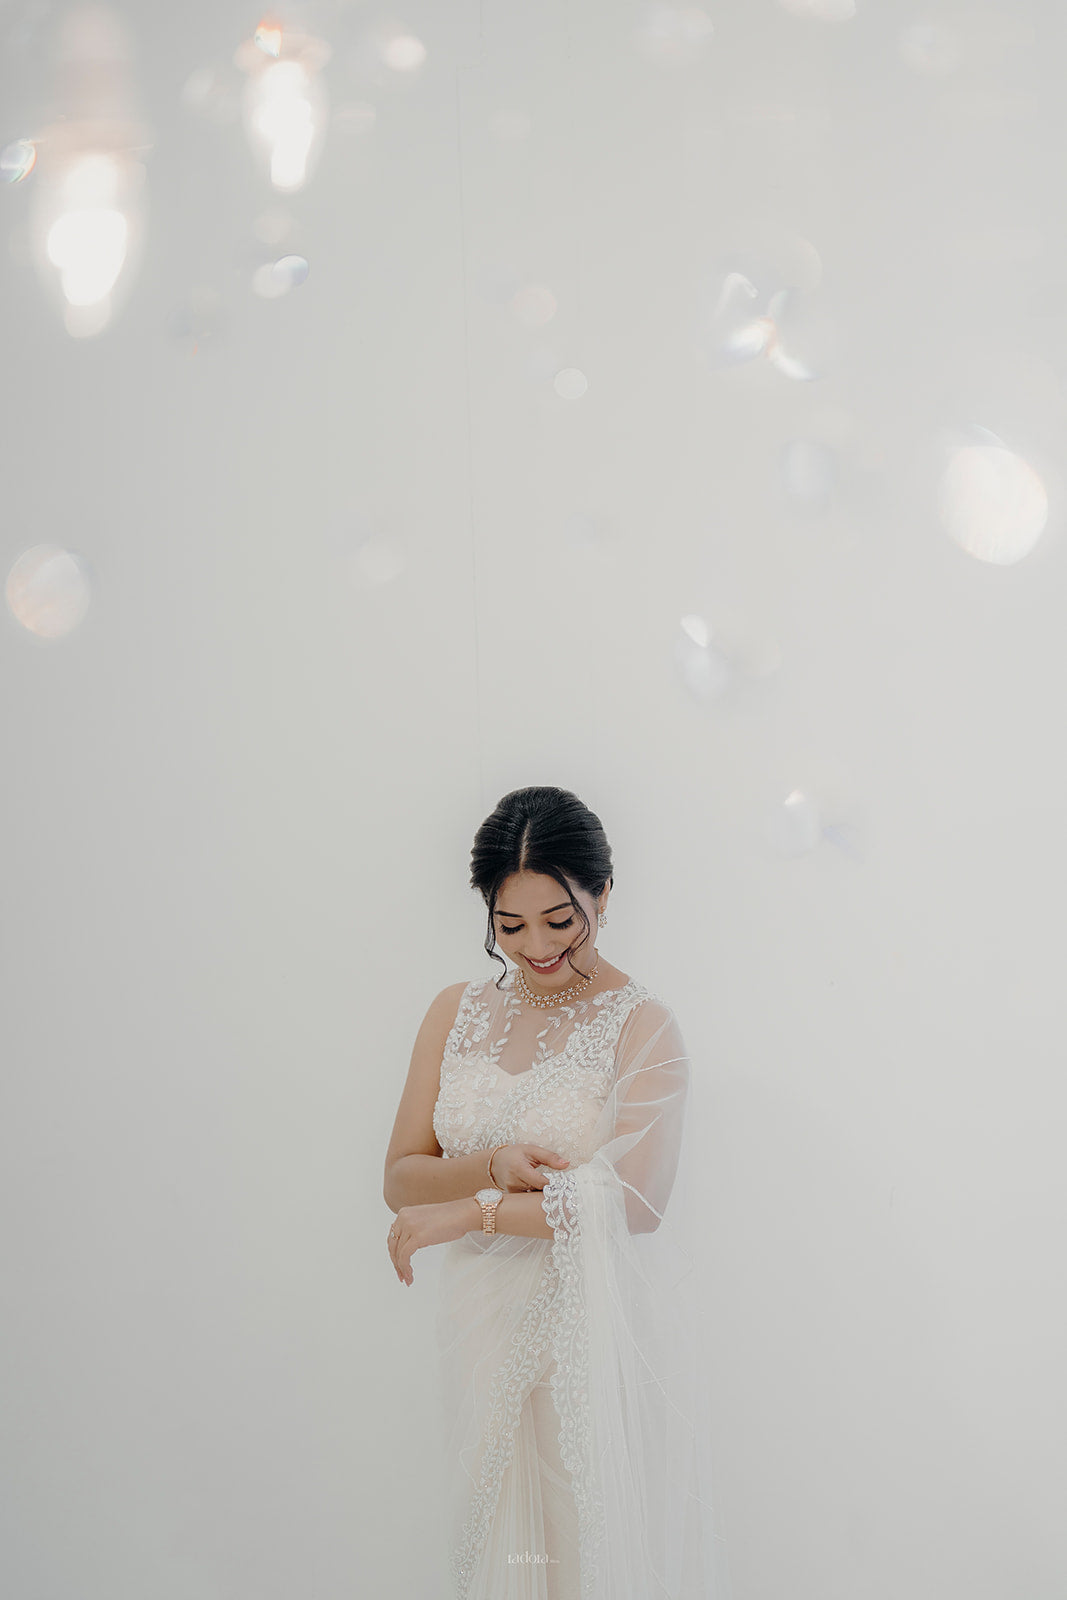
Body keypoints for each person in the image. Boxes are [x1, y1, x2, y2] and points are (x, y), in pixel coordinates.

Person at [383, 786, 733, 1599]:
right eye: (509, 927)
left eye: (560, 920)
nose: (535, 946)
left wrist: (467, 1212)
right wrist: (489, 1165)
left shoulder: (642, 1026)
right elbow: (401, 1176)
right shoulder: (454, 1010)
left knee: (577, 1547)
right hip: (479, 1325)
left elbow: (635, 1206)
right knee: (498, 1552)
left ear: (602, 895)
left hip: (585, 1332)